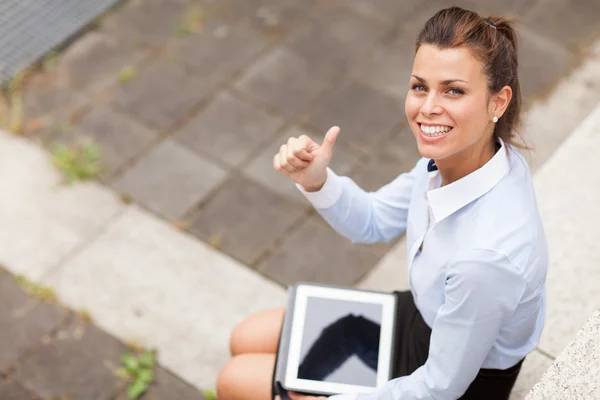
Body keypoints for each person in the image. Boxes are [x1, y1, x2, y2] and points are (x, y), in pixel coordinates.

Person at [217, 6, 548, 400]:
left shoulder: (486, 259)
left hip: (458, 380)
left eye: (453, 90)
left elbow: (439, 387)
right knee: (246, 336)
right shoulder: (466, 156)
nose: (428, 108)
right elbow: (371, 220)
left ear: (498, 102)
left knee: (236, 381)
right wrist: (316, 179)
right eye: (420, 86)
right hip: (431, 318)